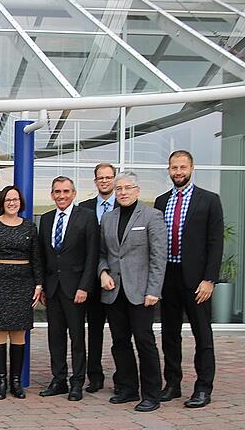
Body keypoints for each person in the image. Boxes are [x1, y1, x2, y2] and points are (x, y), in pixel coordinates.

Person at [154, 150, 223, 408]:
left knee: (202, 335)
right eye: (174, 167)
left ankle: (203, 387)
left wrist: (209, 280)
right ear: (169, 170)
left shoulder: (209, 200)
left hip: (196, 280)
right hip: (168, 276)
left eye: (182, 167)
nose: (178, 172)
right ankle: (172, 384)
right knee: (170, 334)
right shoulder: (161, 201)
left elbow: (215, 244)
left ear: (191, 168)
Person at [99, 171, 166, 412]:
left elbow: (159, 257)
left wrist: (154, 290)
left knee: (144, 341)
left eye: (128, 188)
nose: (123, 192)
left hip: (141, 292)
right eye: (119, 189)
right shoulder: (108, 218)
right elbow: (102, 253)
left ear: (138, 190)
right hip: (114, 291)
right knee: (119, 341)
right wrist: (103, 272)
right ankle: (127, 388)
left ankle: (151, 394)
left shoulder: (152, 216)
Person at [0, 186, 43, 401]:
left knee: (18, 332)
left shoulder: (30, 227)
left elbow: (36, 258)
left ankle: (15, 382)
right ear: (2, 202)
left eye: (15, 199)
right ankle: (1, 381)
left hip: (23, 284)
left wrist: (38, 284)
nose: (12, 203)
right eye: (8, 199)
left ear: (21, 202)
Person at [37, 177, 98, 401]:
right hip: (53, 288)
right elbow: (43, 256)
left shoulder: (87, 217)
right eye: (57, 192)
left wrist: (85, 287)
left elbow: (92, 255)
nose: (61, 196)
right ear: (52, 195)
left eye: (65, 191)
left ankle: (77, 382)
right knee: (55, 337)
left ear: (73, 194)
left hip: (76, 289)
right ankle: (59, 379)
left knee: (77, 337)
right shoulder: (46, 219)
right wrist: (42, 285)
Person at [78, 162, 116, 394]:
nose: (104, 181)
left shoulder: (123, 205)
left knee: (120, 330)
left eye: (108, 177)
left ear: (114, 179)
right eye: (100, 178)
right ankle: (94, 375)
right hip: (91, 279)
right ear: (95, 181)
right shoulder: (85, 208)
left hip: (117, 278)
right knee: (93, 329)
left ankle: (123, 376)